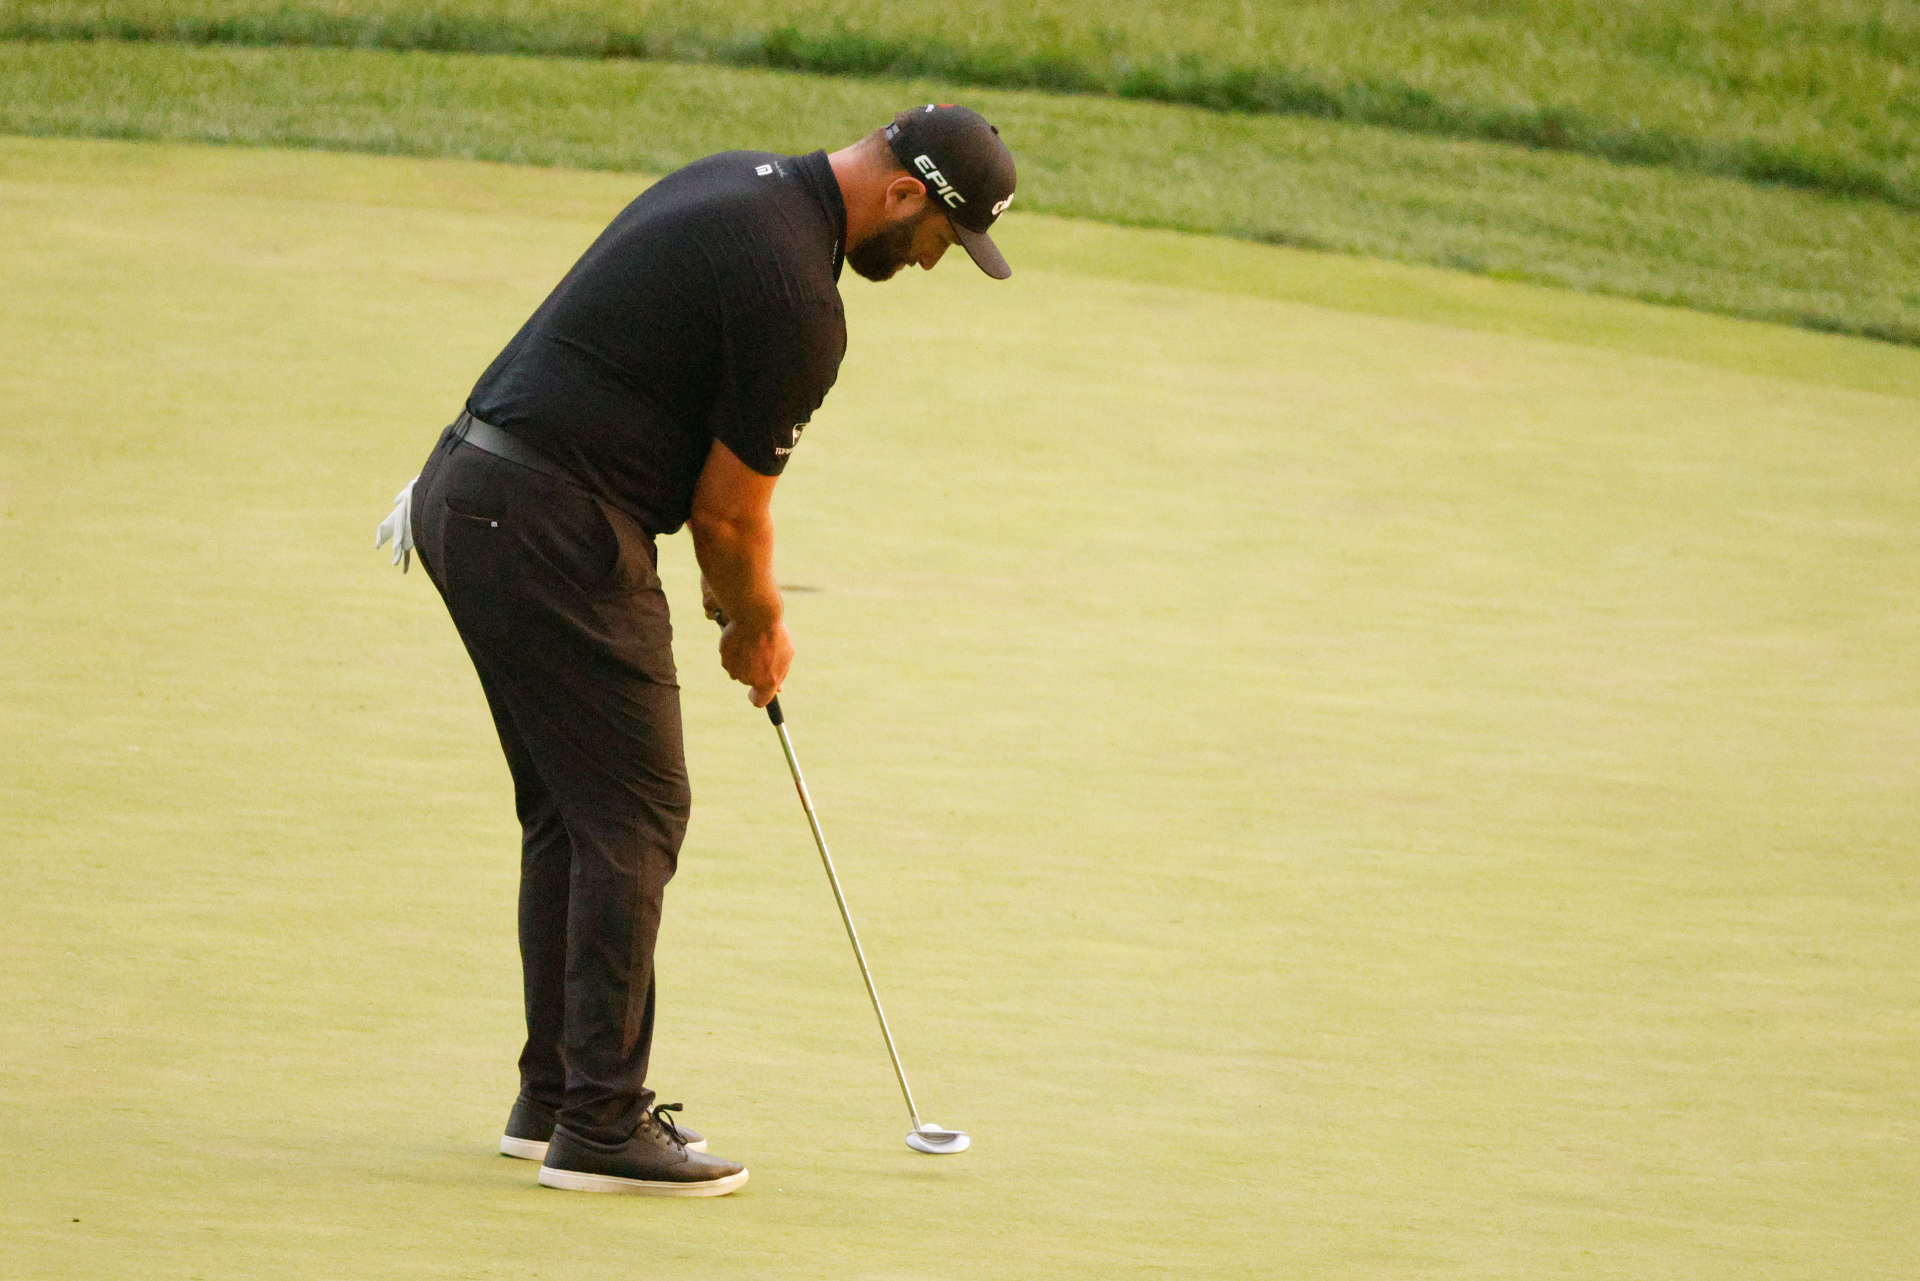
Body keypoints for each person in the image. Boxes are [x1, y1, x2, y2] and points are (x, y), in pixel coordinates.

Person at [374, 105, 1017, 1197]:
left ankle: (560, 1098)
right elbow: (727, 518)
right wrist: (756, 625)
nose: (930, 262)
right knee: (635, 814)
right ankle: (604, 1129)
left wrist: (732, 612)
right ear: (909, 194)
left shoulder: (741, 184)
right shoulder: (799, 298)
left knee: (576, 813)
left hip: (471, 493)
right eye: (941, 241)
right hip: (545, 522)